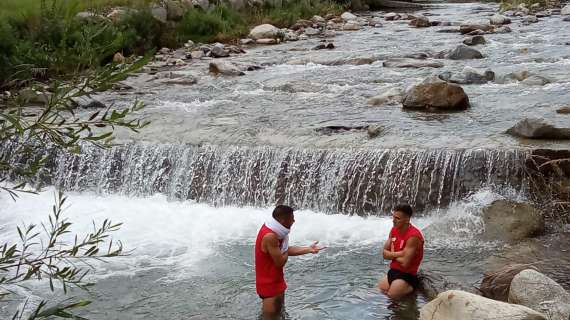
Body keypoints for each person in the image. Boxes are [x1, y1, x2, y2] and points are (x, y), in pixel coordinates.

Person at [255, 205, 324, 318]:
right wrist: (285, 249)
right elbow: (280, 261)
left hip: (277, 281)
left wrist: (308, 249)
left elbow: (283, 251)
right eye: (291, 218)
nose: (294, 220)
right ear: (283, 220)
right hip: (269, 287)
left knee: (280, 315)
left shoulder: (275, 230)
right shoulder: (270, 236)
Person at [378, 203, 424, 300]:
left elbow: (405, 263)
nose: (393, 221)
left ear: (407, 220)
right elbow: (384, 254)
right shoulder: (394, 230)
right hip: (393, 271)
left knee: (392, 296)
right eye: (393, 217)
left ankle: (411, 291)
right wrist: (400, 253)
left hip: (407, 275)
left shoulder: (413, 236)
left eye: (397, 218)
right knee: (379, 292)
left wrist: (391, 254)